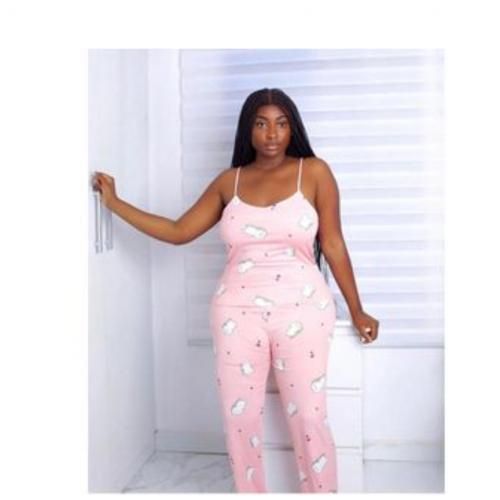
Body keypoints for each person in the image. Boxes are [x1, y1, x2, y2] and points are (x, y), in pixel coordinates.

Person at [93, 87, 379, 493]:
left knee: (309, 417)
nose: (272, 133)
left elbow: (332, 243)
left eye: (281, 123)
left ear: (292, 128)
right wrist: (115, 203)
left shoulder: (314, 173)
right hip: (235, 314)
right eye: (261, 124)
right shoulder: (230, 182)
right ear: (248, 129)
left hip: (303, 311)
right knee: (239, 419)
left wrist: (357, 309)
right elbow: (179, 231)